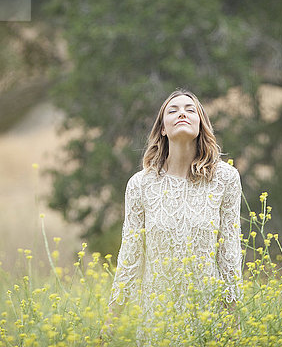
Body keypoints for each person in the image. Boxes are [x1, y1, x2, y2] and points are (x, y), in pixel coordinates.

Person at [104, 89, 243, 344]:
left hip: (207, 317)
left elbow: (229, 254)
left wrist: (233, 323)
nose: (182, 113)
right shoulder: (139, 185)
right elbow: (129, 258)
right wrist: (110, 325)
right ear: (163, 129)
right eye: (173, 110)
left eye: (190, 110)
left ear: (201, 126)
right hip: (157, 319)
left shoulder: (225, 179)